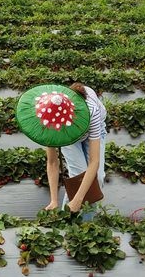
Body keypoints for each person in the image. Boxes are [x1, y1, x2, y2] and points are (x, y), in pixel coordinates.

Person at [44, 83, 107, 213]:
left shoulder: (92, 111)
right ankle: (68, 219)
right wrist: (53, 200)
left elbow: (94, 162)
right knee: (77, 176)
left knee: (97, 178)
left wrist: (78, 200)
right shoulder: (49, 120)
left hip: (91, 131)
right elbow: (52, 163)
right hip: (68, 137)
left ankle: (87, 222)